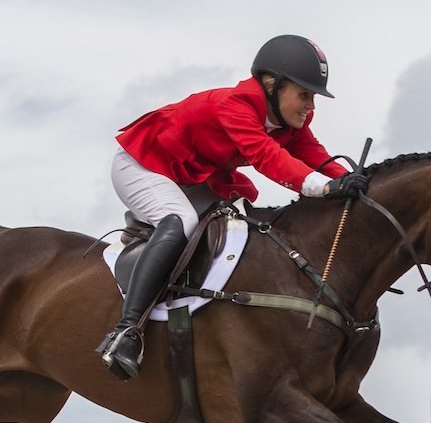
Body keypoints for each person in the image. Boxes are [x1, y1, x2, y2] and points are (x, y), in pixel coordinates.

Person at [96, 34, 369, 380]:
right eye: (304, 95)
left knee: (239, 219)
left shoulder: (290, 121)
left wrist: (352, 181)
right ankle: (126, 331)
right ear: (273, 86)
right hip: (144, 163)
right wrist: (326, 187)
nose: (310, 106)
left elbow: (315, 155)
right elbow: (267, 157)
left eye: (312, 97)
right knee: (180, 220)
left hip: (194, 175)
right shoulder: (235, 105)